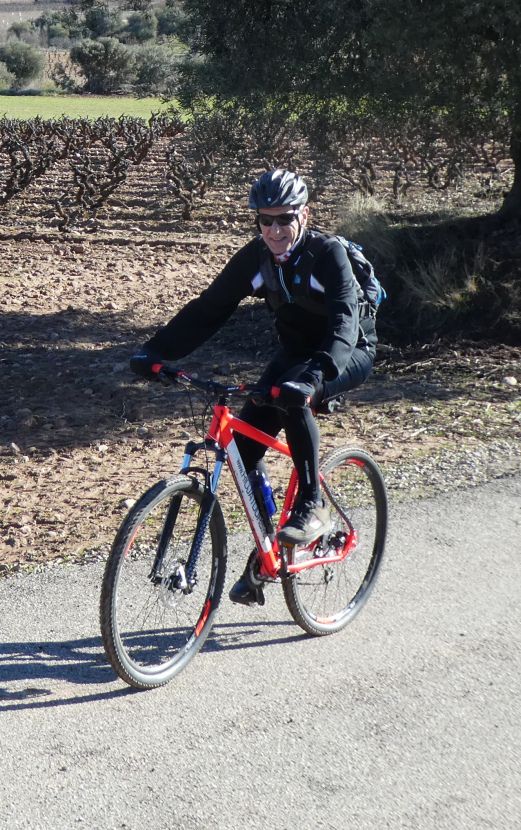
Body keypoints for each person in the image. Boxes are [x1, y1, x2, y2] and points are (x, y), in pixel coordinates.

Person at [128, 169, 377, 606]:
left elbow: (343, 324)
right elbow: (208, 309)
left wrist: (316, 375)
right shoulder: (257, 258)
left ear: (305, 215)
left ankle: (313, 504)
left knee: (294, 401)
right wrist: (155, 353)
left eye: (285, 219)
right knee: (242, 449)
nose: (275, 230)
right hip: (296, 353)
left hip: (347, 352)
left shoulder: (328, 254)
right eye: (266, 221)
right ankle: (266, 555)